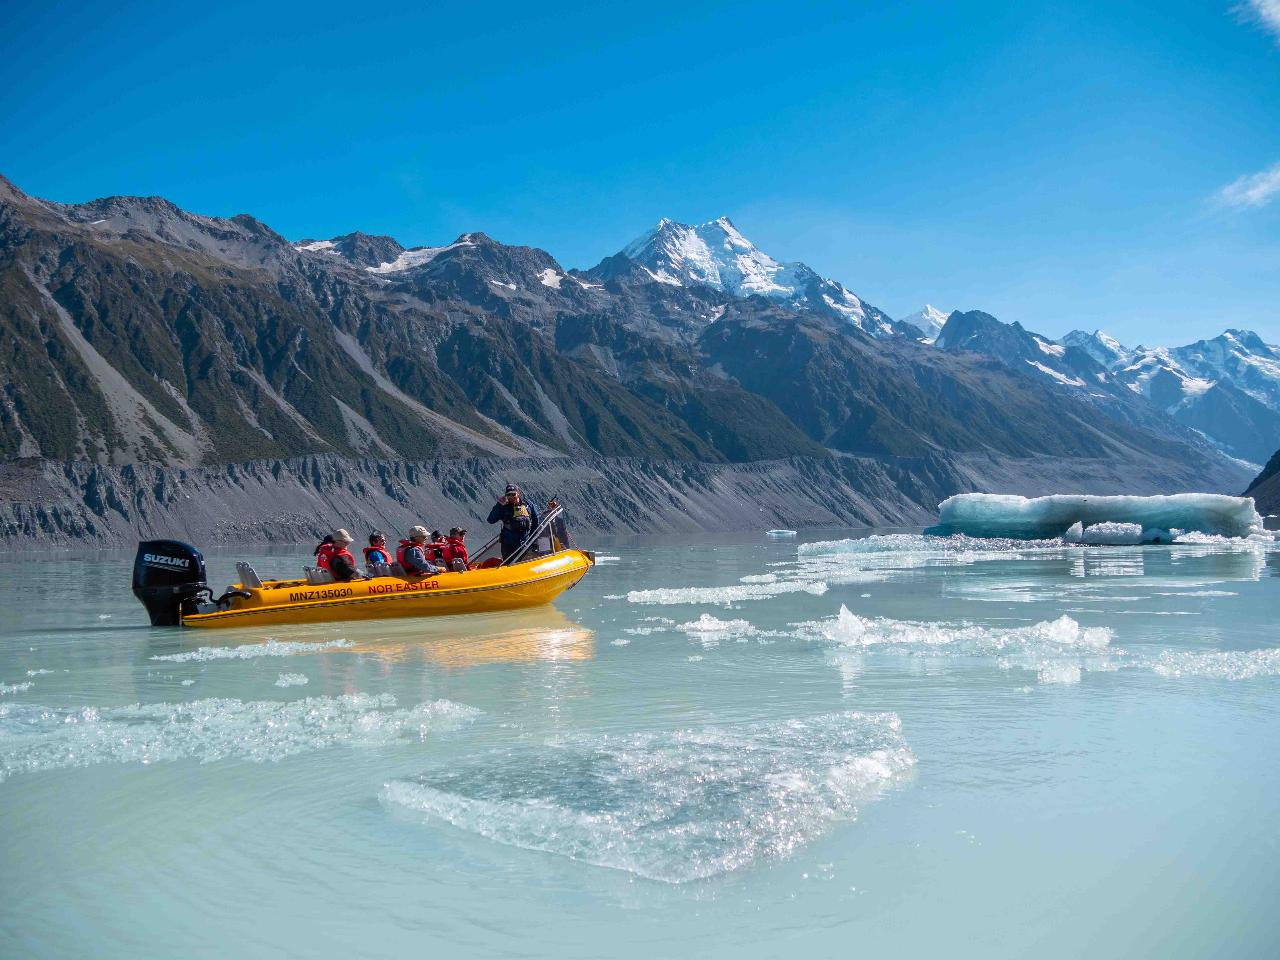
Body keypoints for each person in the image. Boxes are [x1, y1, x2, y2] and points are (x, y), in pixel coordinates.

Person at [487, 483, 540, 560]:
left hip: (525, 544)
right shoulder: (503, 508)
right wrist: (499, 505)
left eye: (513, 494)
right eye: (508, 495)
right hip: (509, 546)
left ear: (518, 493)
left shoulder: (528, 505)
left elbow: (536, 522)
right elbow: (490, 520)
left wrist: (532, 540)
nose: (511, 497)